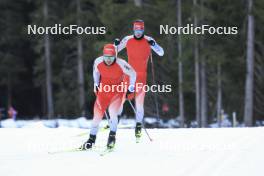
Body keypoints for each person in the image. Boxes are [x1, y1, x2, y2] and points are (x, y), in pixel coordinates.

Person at [114, 19, 164, 140]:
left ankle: (138, 126)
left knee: (139, 103)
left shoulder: (148, 40)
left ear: (143, 29)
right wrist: (115, 45)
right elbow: (114, 52)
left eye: (140, 30)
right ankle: (116, 119)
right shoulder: (127, 39)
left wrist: (154, 45)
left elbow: (161, 53)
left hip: (141, 76)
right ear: (133, 29)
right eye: (136, 29)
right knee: (121, 98)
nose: (138, 32)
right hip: (128, 74)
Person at [80, 44, 136, 150]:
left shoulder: (121, 63)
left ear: (115, 56)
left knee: (113, 113)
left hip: (117, 91)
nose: (108, 60)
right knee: (97, 117)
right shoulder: (98, 61)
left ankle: (112, 137)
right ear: (103, 56)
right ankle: (91, 140)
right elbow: (95, 72)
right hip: (103, 91)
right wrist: (96, 84)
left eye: (111, 57)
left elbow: (133, 74)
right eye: (106, 57)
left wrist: (131, 88)